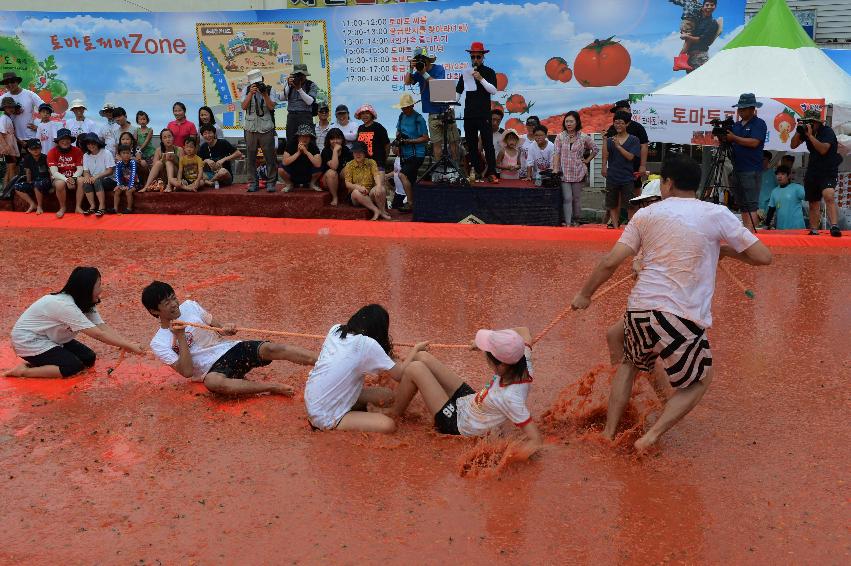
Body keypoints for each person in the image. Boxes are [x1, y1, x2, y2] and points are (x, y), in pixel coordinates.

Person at [571, 155, 772, 453]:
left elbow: (610, 261)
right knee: (700, 380)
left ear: (667, 183)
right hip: (680, 314)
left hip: (638, 309)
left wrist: (584, 295)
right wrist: (727, 252)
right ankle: (650, 437)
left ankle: (610, 434)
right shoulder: (716, 213)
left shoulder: (645, 215)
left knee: (629, 365)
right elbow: (763, 257)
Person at [141, 281, 317, 396]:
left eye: (173, 298)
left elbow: (219, 329)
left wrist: (227, 329)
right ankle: (271, 387)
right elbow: (186, 372)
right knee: (213, 383)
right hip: (212, 370)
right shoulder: (158, 343)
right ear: (154, 311)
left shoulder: (190, 306)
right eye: (167, 303)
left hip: (230, 349)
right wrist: (179, 336)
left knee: (272, 348)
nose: (174, 304)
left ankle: (324, 361)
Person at [390, 327, 542, 460]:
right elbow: (524, 331)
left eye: (487, 352)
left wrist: (502, 456)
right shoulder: (523, 360)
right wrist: (496, 340)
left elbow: (535, 441)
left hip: (458, 423)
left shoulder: (511, 398)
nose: (484, 354)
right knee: (421, 356)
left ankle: (392, 412)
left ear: (501, 365)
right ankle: (403, 389)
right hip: (471, 401)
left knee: (415, 369)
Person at [5, 267, 144, 378]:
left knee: (88, 358)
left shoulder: (85, 303)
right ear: (87, 289)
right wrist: (128, 346)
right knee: (72, 367)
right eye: (99, 286)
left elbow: (102, 327)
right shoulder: (64, 305)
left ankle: (41, 362)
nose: (101, 290)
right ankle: (23, 371)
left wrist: (127, 344)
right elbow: (97, 334)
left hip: (50, 338)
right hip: (29, 340)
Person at [304, 304, 425, 433]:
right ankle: (339, 421)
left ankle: (357, 410)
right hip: (324, 418)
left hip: (313, 403)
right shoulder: (368, 344)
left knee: (387, 396)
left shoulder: (335, 329)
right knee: (388, 425)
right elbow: (399, 374)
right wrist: (415, 350)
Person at [790, 108, 843, 237]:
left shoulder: (827, 131)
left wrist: (810, 136)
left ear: (818, 122)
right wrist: (799, 131)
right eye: (807, 122)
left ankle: (834, 226)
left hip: (828, 169)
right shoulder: (807, 131)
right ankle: (814, 229)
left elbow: (823, 149)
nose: (809, 125)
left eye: (811, 122)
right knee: (813, 201)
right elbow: (793, 145)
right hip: (813, 170)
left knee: (828, 195)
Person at [404, 46, 459, 162]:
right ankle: (438, 169)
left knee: (453, 142)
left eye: (423, 59)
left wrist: (424, 73)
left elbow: (439, 85)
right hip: (432, 113)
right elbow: (407, 82)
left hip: (446, 111)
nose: (421, 62)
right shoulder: (418, 73)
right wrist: (410, 69)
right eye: (419, 60)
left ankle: (456, 167)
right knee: (436, 144)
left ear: (428, 60)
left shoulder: (439, 69)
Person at [724, 93, 768, 232]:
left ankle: (750, 233)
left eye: (743, 109)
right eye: (739, 109)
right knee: (742, 203)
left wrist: (733, 138)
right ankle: (746, 231)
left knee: (751, 204)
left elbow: (754, 142)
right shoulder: (736, 125)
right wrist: (724, 138)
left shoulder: (759, 123)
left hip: (751, 168)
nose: (740, 111)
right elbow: (730, 142)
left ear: (752, 109)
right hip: (737, 168)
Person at [456, 41, 499, 182]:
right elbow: (458, 91)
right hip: (469, 113)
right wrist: (450, 105)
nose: (475, 59)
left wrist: (481, 79)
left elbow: (493, 90)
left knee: (488, 144)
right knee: (472, 145)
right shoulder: (466, 73)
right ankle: (477, 171)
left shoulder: (489, 72)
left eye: (478, 57)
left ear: (483, 57)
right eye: (473, 57)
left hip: (484, 114)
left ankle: (492, 171)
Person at [553, 111, 598, 226]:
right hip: (564, 172)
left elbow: (595, 149)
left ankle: (576, 220)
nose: (568, 124)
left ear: (577, 122)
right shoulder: (560, 137)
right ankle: (568, 223)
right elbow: (556, 153)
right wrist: (555, 168)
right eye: (567, 121)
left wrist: (587, 160)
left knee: (576, 199)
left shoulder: (583, 137)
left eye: (571, 121)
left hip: (578, 172)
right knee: (567, 198)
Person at [601, 111, 641, 229]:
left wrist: (618, 146)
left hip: (627, 176)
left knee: (630, 204)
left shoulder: (634, 140)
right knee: (612, 203)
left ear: (627, 124)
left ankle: (630, 228)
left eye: (621, 123)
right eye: (616, 123)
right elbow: (606, 154)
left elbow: (631, 157)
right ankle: (615, 226)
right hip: (612, 175)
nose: (618, 125)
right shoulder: (610, 140)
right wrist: (604, 166)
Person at [241, 69, 279, 193]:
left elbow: (272, 106)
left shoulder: (270, 89)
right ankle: (252, 183)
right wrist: (250, 94)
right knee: (251, 157)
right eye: (254, 83)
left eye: (258, 82)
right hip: (250, 128)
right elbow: (243, 106)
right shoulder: (246, 90)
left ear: (262, 79)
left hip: (266, 127)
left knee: (270, 157)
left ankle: (271, 183)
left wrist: (265, 94)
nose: (256, 85)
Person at [393, 93, 429, 212]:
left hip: (417, 154)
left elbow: (425, 138)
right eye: (403, 107)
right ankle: (416, 205)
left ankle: (410, 203)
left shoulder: (419, 118)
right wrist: (398, 141)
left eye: (407, 107)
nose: (404, 109)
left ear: (412, 106)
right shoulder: (401, 116)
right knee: (411, 179)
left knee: (402, 175)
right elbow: (398, 131)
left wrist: (409, 141)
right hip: (405, 154)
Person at [605, 100, 649, 194]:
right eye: (617, 111)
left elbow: (644, 146)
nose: (619, 112)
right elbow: (606, 148)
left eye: (621, 109)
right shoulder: (612, 128)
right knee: (616, 195)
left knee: (635, 190)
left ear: (629, 109)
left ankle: (637, 208)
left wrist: (642, 165)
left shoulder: (638, 127)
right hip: (616, 168)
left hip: (634, 166)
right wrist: (604, 166)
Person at [342, 141, 390, 220]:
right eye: (355, 152)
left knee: (381, 188)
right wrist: (358, 187)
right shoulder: (349, 165)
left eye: (360, 152)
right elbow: (348, 183)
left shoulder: (371, 162)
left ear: (365, 153)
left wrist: (378, 186)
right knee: (356, 192)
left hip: (370, 193)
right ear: (353, 153)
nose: (358, 154)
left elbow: (376, 175)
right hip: (357, 197)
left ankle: (382, 210)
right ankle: (376, 210)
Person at [47, 128, 84, 218]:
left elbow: (80, 169)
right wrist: (67, 179)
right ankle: (62, 207)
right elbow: (54, 172)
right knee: (59, 184)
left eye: (67, 139)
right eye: (62, 139)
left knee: (82, 180)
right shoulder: (52, 152)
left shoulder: (77, 151)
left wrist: (73, 178)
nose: (65, 142)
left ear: (70, 141)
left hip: (74, 176)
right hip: (60, 178)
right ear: (58, 141)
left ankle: (78, 207)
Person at [1, 71, 43, 146]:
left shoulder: (30, 94)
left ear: (17, 82)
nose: (10, 84)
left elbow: (45, 109)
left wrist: (40, 127)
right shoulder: (3, 98)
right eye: (7, 82)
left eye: (12, 81)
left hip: (30, 137)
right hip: (12, 139)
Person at [280, 64, 318, 143]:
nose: (299, 77)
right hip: (292, 116)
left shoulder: (311, 85)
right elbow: (282, 98)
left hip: (305, 116)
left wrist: (299, 89)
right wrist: (287, 85)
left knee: (307, 140)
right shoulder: (290, 84)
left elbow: (310, 101)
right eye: (297, 75)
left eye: (301, 75)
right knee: (291, 140)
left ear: (305, 75)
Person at [79, 134, 114, 217]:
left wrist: (96, 176)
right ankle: (92, 206)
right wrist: (87, 177)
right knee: (86, 182)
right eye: (88, 144)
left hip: (108, 179)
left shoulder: (106, 152)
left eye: (93, 143)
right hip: (94, 179)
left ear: (98, 143)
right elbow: (86, 171)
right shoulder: (86, 155)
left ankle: (102, 207)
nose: (91, 146)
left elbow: (110, 171)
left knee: (97, 181)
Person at [280, 124, 322, 192]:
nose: (305, 138)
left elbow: (318, 164)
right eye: (302, 136)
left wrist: (306, 152)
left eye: (307, 136)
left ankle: (312, 183)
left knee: (321, 168)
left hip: (309, 174)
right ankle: (289, 184)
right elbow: (284, 162)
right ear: (298, 137)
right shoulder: (291, 145)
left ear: (310, 137)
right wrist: (298, 153)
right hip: (293, 173)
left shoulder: (314, 147)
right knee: (281, 169)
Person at [764, 165, 806, 230]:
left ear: (789, 176)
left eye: (783, 174)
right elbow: (771, 210)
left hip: (797, 228)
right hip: (780, 229)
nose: (779, 176)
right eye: (778, 174)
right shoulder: (774, 191)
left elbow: (810, 199)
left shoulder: (797, 188)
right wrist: (766, 225)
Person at [14, 138, 50, 214]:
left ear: (41, 148)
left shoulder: (46, 157)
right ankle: (32, 204)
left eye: (37, 148)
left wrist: (52, 185)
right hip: (33, 181)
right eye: (33, 149)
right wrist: (28, 182)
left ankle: (40, 206)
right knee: (17, 186)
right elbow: (28, 171)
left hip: (45, 181)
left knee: (37, 184)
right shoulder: (27, 158)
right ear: (29, 150)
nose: (35, 150)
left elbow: (51, 172)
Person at [681, 0, 719, 72]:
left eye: (712, 5)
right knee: (691, 82)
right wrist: (684, 33)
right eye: (707, 5)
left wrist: (688, 37)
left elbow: (702, 40)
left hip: (700, 56)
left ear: (715, 7)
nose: (709, 7)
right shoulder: (695, 19)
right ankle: (679, 60)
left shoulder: (713, 23)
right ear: (703, 6)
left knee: (704, 81)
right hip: (689, 57)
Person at [320, 127, 352, 207]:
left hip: (341, 180)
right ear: (328, 140)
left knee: (350, 168)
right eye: (332, 139)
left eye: (338, 138)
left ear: (342, 139)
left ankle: (349, 195)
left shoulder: (346, 150)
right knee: (332, 172)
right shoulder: (326, 151)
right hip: (327, 180)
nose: (335, 141)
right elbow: (334, 167)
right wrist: (334, 151)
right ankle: (335, 197)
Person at [141, 129, 181, 193]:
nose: (168, 139)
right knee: (159, 163)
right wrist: (162, 160)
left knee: (169, 162)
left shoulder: (179, 149)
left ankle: (169, 185)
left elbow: (182, 167)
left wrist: (174, 159)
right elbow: (154, 166)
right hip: (163, 176)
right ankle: (146, 186)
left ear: (173, 138)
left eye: (169, 136)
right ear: (162, 140)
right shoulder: (158, 150)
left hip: (175, 176)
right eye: (165, 137)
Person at [355, 104, 390, 171]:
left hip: (377, 163)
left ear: (372, 114)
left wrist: (384, 159)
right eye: (362, 113)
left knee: (378, 181)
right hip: (363, 163)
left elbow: (387, 144)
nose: (364, 115)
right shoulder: (360, 128)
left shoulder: (378, 127)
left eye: (367, 113)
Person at [670, 0, 702, 71]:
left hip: (694, 24)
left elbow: (702, 14)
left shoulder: (700, 5)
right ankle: (679, 62)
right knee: (688, 42)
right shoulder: (687, 1)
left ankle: (680, 63)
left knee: (689, 43)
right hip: (687, 22)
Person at [111, 144, 138, 213]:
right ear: (119, 155)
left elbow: (133, 175)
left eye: (128, 153)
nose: (126, 155)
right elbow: (118, 175)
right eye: (124, 153)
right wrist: (119, 185)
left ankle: (129, 209)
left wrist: (129, 186)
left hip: (135, 183)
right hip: (124, 183)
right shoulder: (119, 163)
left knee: (128, 192)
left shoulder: (133, 162)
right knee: (117, 191)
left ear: (130, 154)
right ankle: (115, 209)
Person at [0, 96, 19, 190]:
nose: (11, 109)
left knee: (9, 168)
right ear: (4, 108)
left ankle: (5, 190)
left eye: (12, 107)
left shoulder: (8, 118)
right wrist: (6, 147)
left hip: (11, 145)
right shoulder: (3, 118)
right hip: (8, 147)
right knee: (11, 167)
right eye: (8, 107)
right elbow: (1, 133)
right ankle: (12, 190)